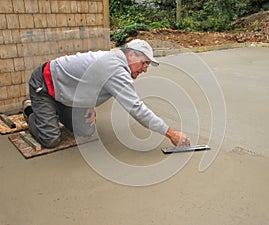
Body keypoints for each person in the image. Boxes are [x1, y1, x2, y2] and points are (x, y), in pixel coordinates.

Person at [23, 39, 190, 148]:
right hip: (45, 85)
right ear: (131, 55)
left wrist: (87, 103)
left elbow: (90, 82)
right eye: (144, 63)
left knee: (86, 130)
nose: (145, 69)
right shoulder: (115, 69)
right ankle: (31, 111)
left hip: (66, 93)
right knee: (50, 139)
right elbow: (136, 109)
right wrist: (171, 133)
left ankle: (54, 111)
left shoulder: (117, 63)